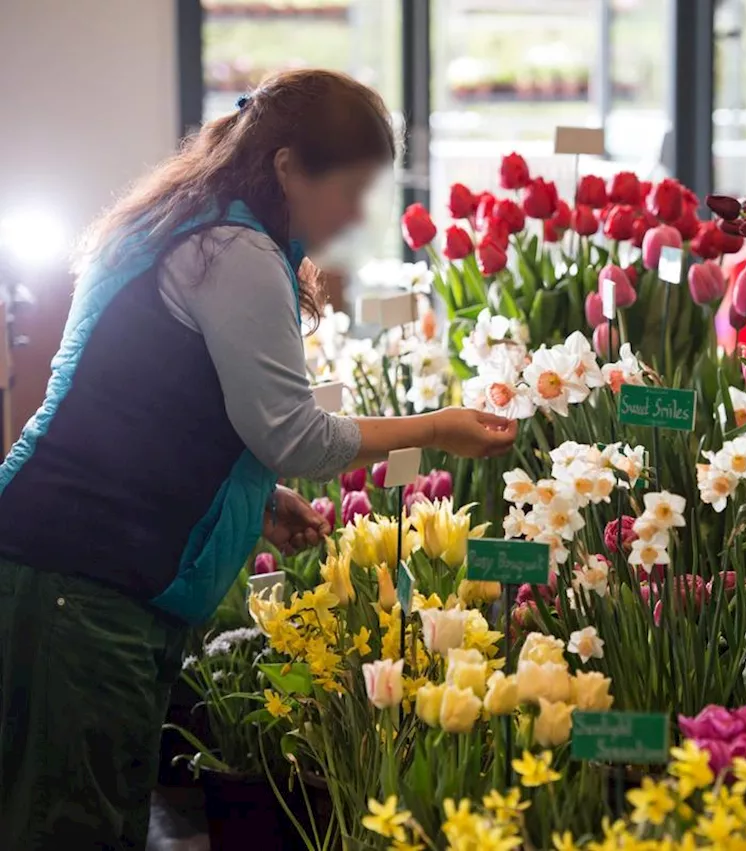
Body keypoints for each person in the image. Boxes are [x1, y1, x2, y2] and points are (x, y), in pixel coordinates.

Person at [0, 69, 517, 849]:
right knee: (72, 826)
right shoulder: (233, 250)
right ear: (285, 167)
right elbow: (296, 433)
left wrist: (253, 495)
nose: (355, 213)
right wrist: (434, 428)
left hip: (63, 565)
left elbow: (150, 403)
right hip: (80, 578)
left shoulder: (189, 222)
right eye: (347, 188)